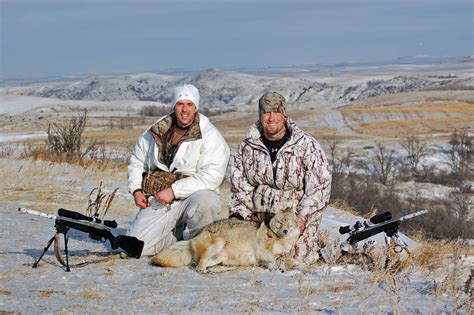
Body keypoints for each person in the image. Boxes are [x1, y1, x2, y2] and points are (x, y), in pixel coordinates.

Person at [230, 91, 332, 267]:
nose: (271, 118)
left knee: (293, 266)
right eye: (266, 112)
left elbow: (320, 187)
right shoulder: (247, 147)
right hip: (258, 225)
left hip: (294, 225)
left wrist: (301, 219)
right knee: (248, 264)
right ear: (260, 116)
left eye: (276, 112)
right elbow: (240, 188)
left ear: (284, 115)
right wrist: (238, 220)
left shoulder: (306, 145)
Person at [127, 84, 230, 256]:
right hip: (161, 198)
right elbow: (137, 161)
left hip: (194, 198)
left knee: (208, 201)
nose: (184, 109)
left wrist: (174, 190)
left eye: (189, 104)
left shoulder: (211, 136)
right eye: (180, 104)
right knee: (136, 247)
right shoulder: (155, 132)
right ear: (173, 106)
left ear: (196, 107)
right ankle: (178, 238)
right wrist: (136, 190)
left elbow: (211, 177)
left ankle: (204, 247)